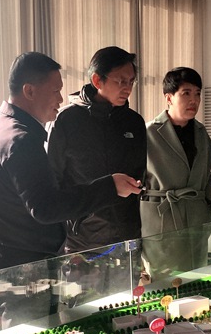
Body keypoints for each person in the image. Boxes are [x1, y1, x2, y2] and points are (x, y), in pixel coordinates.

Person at [0, 52, 142, 334]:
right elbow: (46, 207)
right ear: (29, 91)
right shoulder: (21, 139)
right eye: (55, 91)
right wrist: (109, 186)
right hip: (22, 272)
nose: (61, 99)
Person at [47, 46, 146, 253]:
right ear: (97, 80)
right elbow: (53, 180)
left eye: (131, 81)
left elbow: (140, 171)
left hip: (127, 233)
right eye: (120, 81)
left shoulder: (134, 122)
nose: (127, 88)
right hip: (82, 240)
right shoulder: (67, 120)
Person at [140, 67, 211, 279]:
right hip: (162, 219)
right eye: (186, 93)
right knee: (164, 284)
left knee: (197, 281)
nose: (194, 100)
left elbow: (208, 176)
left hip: (196, 218)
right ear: (169, 97)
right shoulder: (148, 133)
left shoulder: (202, 134)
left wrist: (210, 211)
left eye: (197, 93)